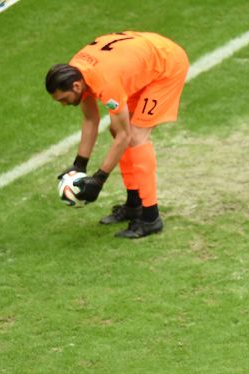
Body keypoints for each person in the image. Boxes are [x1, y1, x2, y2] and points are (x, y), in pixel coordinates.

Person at [45, 31, 189, 238]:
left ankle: (151, 217)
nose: (63, 104)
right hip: (142, 64)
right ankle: (134, 205)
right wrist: (79, 165)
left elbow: (125, 137)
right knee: (117, 128)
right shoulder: (75, 72)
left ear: (76, 86)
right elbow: (90, 120)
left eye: (63, 99)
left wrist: (99, 179)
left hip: (166, 67)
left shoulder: (105, 83)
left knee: (136, 136)